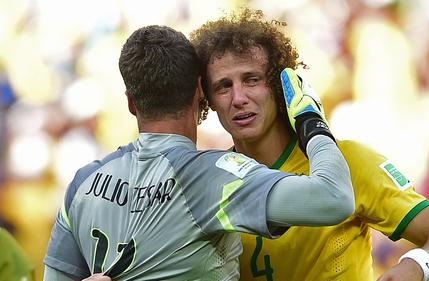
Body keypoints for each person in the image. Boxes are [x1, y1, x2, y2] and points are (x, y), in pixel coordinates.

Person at [43, 25, 355, 280]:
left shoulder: (83, 183)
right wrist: (311, 121)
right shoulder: (215, 176)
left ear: (130, 103)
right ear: (198, 92)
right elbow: (335, 198)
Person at [190, 8, 429, 281]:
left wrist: (415, 267)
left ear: (278, 85)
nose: (238, 97)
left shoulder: (348, 161)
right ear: (209, 101)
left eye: (252, 80)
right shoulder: (206, 183)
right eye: (223, 86)